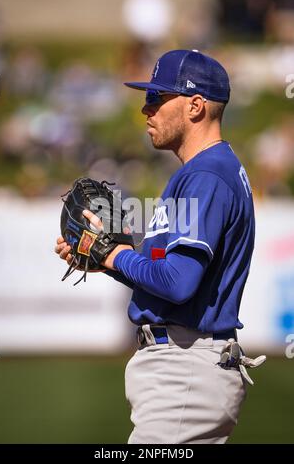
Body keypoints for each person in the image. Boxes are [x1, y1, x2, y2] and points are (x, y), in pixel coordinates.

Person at [55, 49, 261, 444]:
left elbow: (178, 282)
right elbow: (172, 278)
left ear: (195, 106)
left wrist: (111, 252)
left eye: (157, 97)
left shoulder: (206, 175)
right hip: (189, 371)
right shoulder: (210, 169)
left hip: (185, 373)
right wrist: (107, 263)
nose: (146, 109)